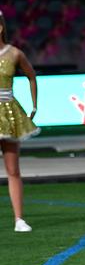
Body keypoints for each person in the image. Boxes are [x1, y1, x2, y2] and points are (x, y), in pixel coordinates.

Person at [0, 13, 39, 232]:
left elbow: (31, 76)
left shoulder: (14, 53)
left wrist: (34, 106)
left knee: (12, 168)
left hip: (8, 111)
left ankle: (19, 219)